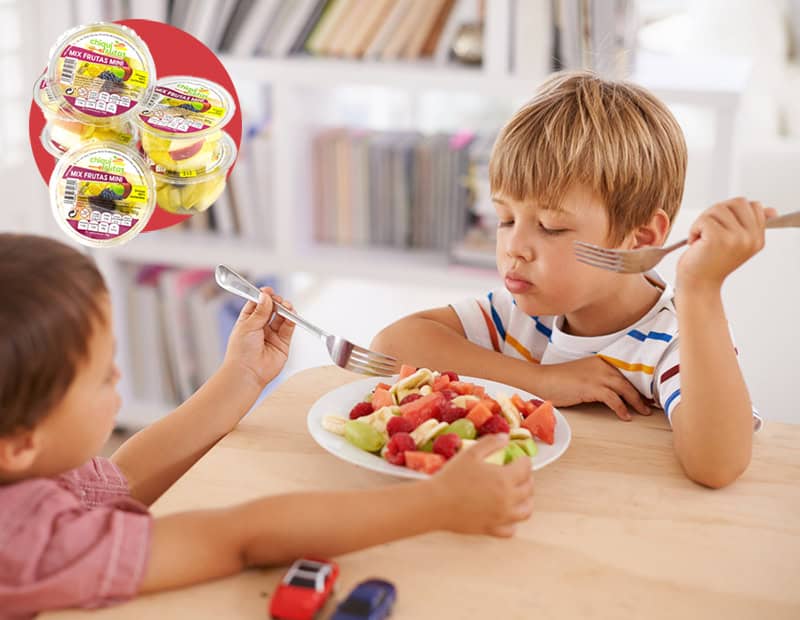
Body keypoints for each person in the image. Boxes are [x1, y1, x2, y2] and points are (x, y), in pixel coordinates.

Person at [0, 233, 534, 619]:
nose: (118, 375)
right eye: (100, 376)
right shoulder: (23, 544)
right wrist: (435, 505)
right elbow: (238, 538)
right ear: (22, 443)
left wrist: (242, 377)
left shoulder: (25, 478)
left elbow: (121, 480)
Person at [372, 71, 775, 490]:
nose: (516, 247)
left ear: (640, 237)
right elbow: (390, 346)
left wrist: (701, 289)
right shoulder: (516, 314)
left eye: (550, 226)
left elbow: (718, 464)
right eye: (506, 219)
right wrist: (542, 382)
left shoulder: (672, 338)